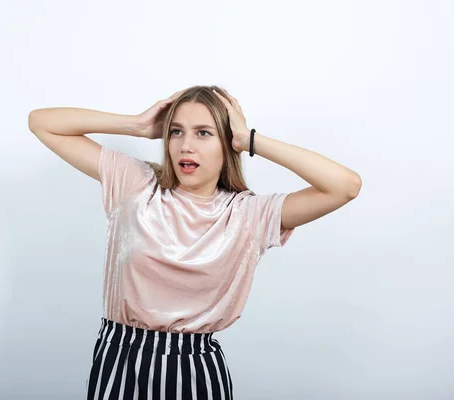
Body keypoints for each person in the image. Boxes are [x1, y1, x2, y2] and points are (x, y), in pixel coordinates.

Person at [28, 85, 362, 399]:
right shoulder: (136, 185)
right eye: (177, 131)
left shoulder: (247, 215)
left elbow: (345, 186)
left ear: (227, 143)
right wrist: (137, 125)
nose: (186, 145)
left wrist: (249, 139)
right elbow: (42, 123)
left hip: (195, 372)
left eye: (203, 133)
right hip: (120, 361)